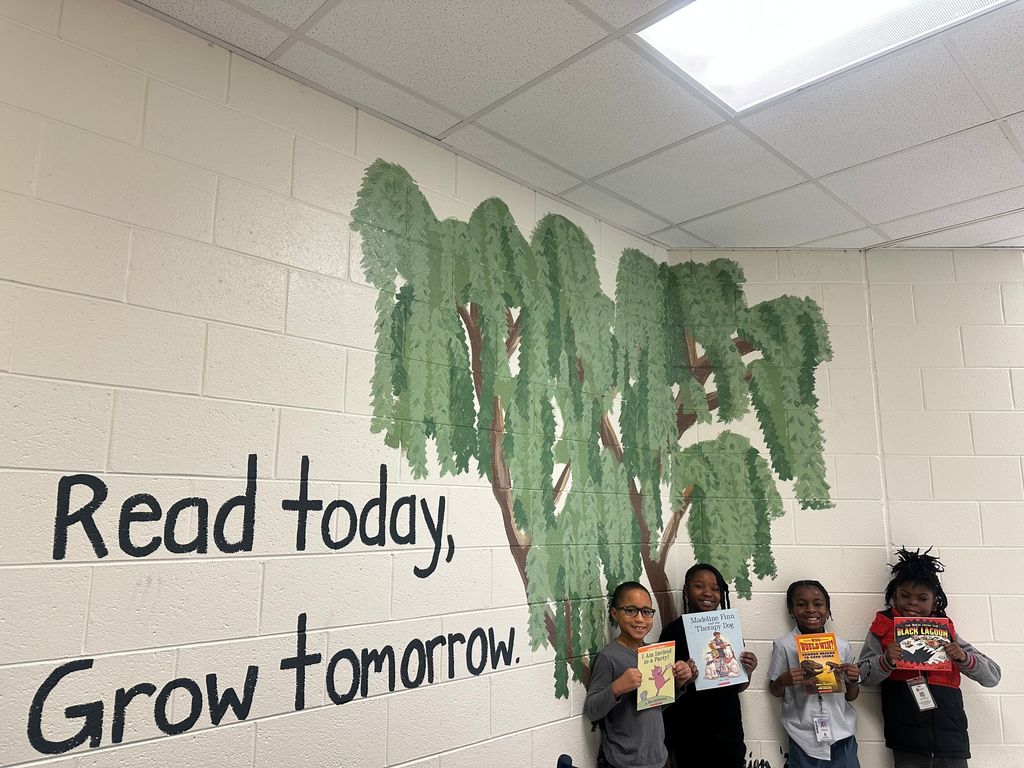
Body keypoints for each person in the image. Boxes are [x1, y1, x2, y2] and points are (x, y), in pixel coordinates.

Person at [858, 548, 1001, 767]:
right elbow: (862, 675)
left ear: (934, 603)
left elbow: (993, 676)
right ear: (894, 596)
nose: (912, 603)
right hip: (907, 741)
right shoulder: (883, 627)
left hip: (951, 741)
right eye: (905, 595)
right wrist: (885, 661)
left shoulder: (945, 631)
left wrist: (963, 657)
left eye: (922, 598)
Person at [584, 581, 692, 768]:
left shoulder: (655, 654)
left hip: (656, 758)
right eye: (631, 610)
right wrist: (617, 687)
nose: (640, 619)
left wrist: (678, 683)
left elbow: (656, 705)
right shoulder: (608, 657)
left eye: (646, 611)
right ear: (615, 614)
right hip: (622, 762)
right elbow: (592, 709)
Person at [659, 564, 758, 768]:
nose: (708, 593)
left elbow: (738, 687)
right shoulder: (672, 632)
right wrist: (683, 679)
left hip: (728, 730)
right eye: (699, 586)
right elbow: (661, 693)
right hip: (688, 734)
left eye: (715, 588)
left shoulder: (729, 630)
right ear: (686, 591)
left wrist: (748, 671)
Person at [768, 580, 861, 767]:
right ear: (791, 609)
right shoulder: (784, 645)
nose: (811, 610)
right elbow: (774, 690)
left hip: (841, 735)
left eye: (818, 604)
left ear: (827, 610)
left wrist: (852, 679)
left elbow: (851, 696)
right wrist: (783, 681)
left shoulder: (841, 646)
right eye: (801, 604)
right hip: (803, 737)